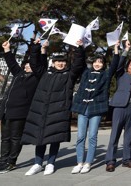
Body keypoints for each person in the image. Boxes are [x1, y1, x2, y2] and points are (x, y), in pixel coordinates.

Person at [23, 39, 85, 176]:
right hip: (41, 110)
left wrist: (79, 48)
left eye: (63, 61)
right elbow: (34, 62)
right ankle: (37, 164)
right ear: (53, 62)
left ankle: (51, 163)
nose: (61, 63)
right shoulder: (44, 73)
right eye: (58, 61)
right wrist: (36, 47)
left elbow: (78, 65)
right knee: (40, 138)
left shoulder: (69, 75)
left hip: (59, 111)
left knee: (54, 138)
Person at [0, 40, 46, 174]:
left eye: (30, 65)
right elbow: (11, 63)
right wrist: (7, 49)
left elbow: (39, 64)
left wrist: (38, 49)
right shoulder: (19, 74)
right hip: (7, 111)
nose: (28, 66)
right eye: (26, 65)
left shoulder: (37, 77)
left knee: (15, 138)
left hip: (21, 112)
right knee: (4, 138)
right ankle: (3, 161)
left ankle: (11, 162)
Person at [70, 41, 120, 174]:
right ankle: (79, 162)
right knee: (80, 136)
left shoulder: (105, 75)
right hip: (83, 108)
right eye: (95, 62)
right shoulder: (86, 73)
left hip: (96, 109)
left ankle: (88, 162)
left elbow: (114, 66)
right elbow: (80, 62)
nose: (97, 64)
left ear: (103, 64)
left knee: (92, 136)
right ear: (92, 63)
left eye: (100, 62)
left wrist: (116, 50)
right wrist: (80, 48)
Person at [104, 40, 131, 172]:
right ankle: (110, 161)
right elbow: (119, 65)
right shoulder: (121, 75)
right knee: (115, 134)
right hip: (119, 107)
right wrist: (125, 50)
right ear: (127, 67)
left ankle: (127, 159)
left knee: (129, 135)